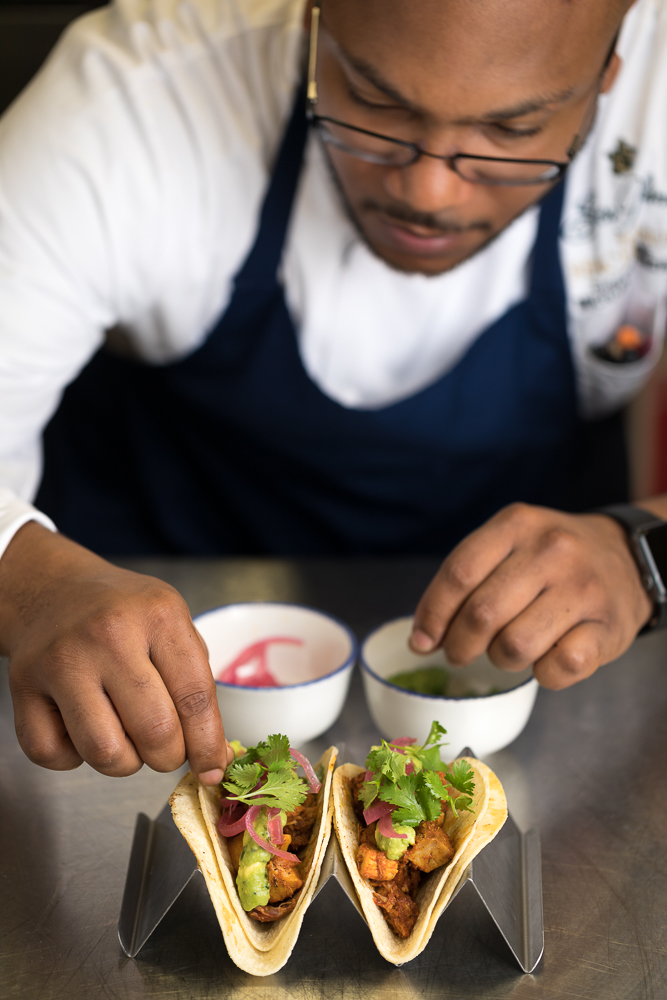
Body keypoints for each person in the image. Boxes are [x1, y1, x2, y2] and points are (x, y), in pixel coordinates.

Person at [1, 0, 666, 784]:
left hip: (543, 708)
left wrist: (643, 554)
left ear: (606, 81)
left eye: (511, 132)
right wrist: (26, 578)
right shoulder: (135, 98)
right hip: (137, 683)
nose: (430, 193)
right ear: (315, 26)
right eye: (376, 103)